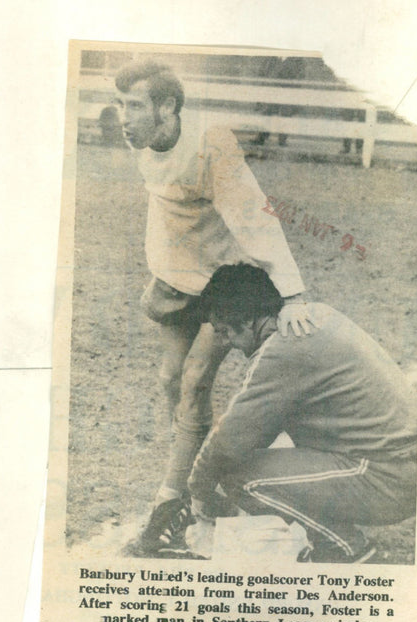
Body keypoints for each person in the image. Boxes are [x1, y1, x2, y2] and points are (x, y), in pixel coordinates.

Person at [111, 62, 314, 554]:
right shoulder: (142, 144)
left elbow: (253, 215)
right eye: (121, 105)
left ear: (168, 108)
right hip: (178, 276)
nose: (124, 117)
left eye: (135, 105)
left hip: (224, 282)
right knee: (171, 382)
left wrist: (291, 293)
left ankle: (175, 495)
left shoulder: (211, 144)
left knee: (196, 379)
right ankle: (203, 472)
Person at [164, 263, 417, 564]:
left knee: (238, 475)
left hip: (385, 478)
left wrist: (198, 491)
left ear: (247, 321)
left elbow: (229, 441)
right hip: (404, 464)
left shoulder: (282, 349)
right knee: (274, 448)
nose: (226, 343)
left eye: (225, 332)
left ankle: (348, 550)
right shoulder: (315, 315)